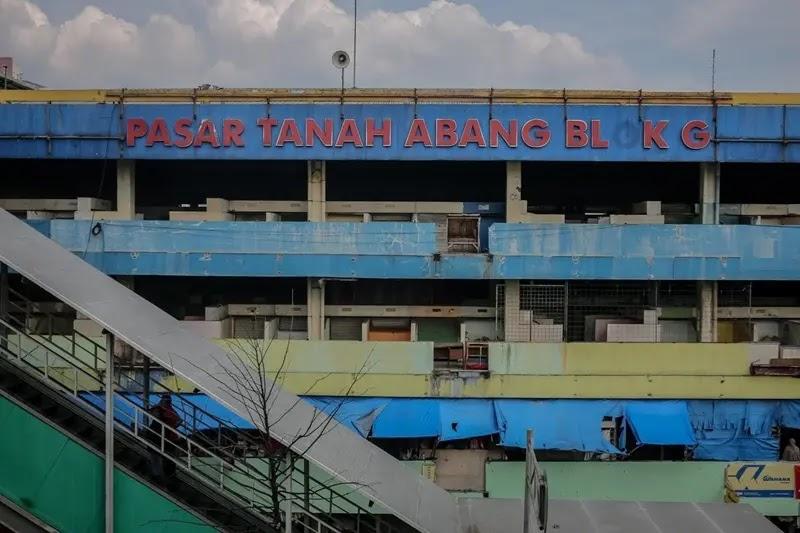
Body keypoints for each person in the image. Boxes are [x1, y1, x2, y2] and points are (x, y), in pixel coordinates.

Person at [146, 394, 182, 482]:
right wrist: (173, 427)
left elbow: (179, 420)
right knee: (163, 458)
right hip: (167, 437)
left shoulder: (163, 411)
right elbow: (179, 420)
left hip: (164, 437)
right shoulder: (169, 411)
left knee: (159, 458)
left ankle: (161, 476)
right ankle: (166, 475)